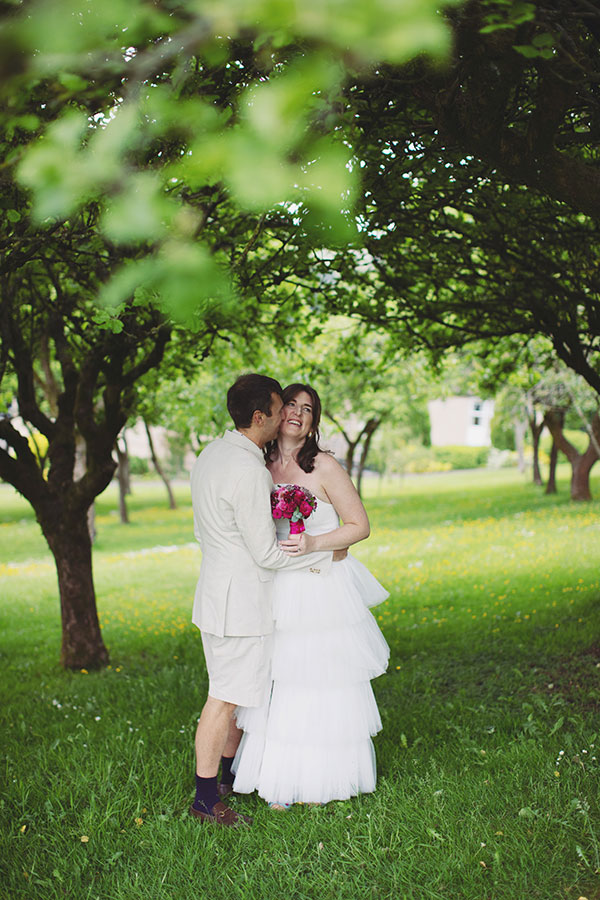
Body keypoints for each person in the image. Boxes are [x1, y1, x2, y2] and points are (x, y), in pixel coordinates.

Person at [232, 383, 390, 808]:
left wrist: (315, 544)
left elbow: (359, 525)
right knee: (278, 679)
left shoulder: (323, 466)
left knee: (318, 678)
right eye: (291, 405)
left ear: (314, 422)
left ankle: (324, 778)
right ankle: (279, 777)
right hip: (276, 585)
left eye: (309, 409)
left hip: (320, 583)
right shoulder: (258, 465)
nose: (299, 413)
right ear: (275, 412)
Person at [189, 374, 335, 827]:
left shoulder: (212, 454)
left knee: (232, 694)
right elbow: (267, 554)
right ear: (260, 417)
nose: (285, 417)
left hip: (215, 592)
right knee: (224, 700)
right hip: (241, 603)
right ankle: (205, 798)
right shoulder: (249, 470)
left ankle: (227, 779)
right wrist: (323, 556)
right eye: (278, 409)